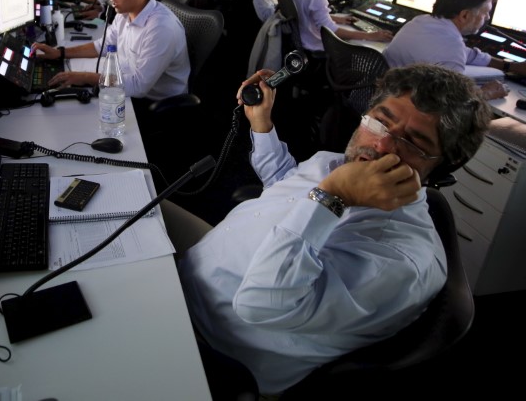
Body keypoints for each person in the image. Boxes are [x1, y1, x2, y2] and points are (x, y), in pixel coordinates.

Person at [164, 63, 491, 397]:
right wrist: (261, 125)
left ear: (441, 166)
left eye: (413, 143)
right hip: (192, 270)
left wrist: (333, 196)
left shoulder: (402, 261)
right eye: (380, 121)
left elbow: (261, 304)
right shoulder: (335, 164)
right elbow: (287, 186)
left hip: (205, 338)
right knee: (124, 198)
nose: (381, 146)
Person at [33, 0, 190, 101]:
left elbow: (138, 86)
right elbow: (102, 45)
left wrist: (84, 78)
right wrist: (60, 53)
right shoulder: (124, 13)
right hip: (126, 86)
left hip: (152, 105)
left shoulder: (161, 28)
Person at [383, 0, 526, 100]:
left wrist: (510, 66)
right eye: (485, 12)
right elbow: (450, 102)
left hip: (388, 100)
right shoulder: (451, 47)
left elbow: (468, 54)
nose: (488, 17)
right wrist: (486, 93)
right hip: (409, 113)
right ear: (464, 15)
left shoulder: (420, 22)